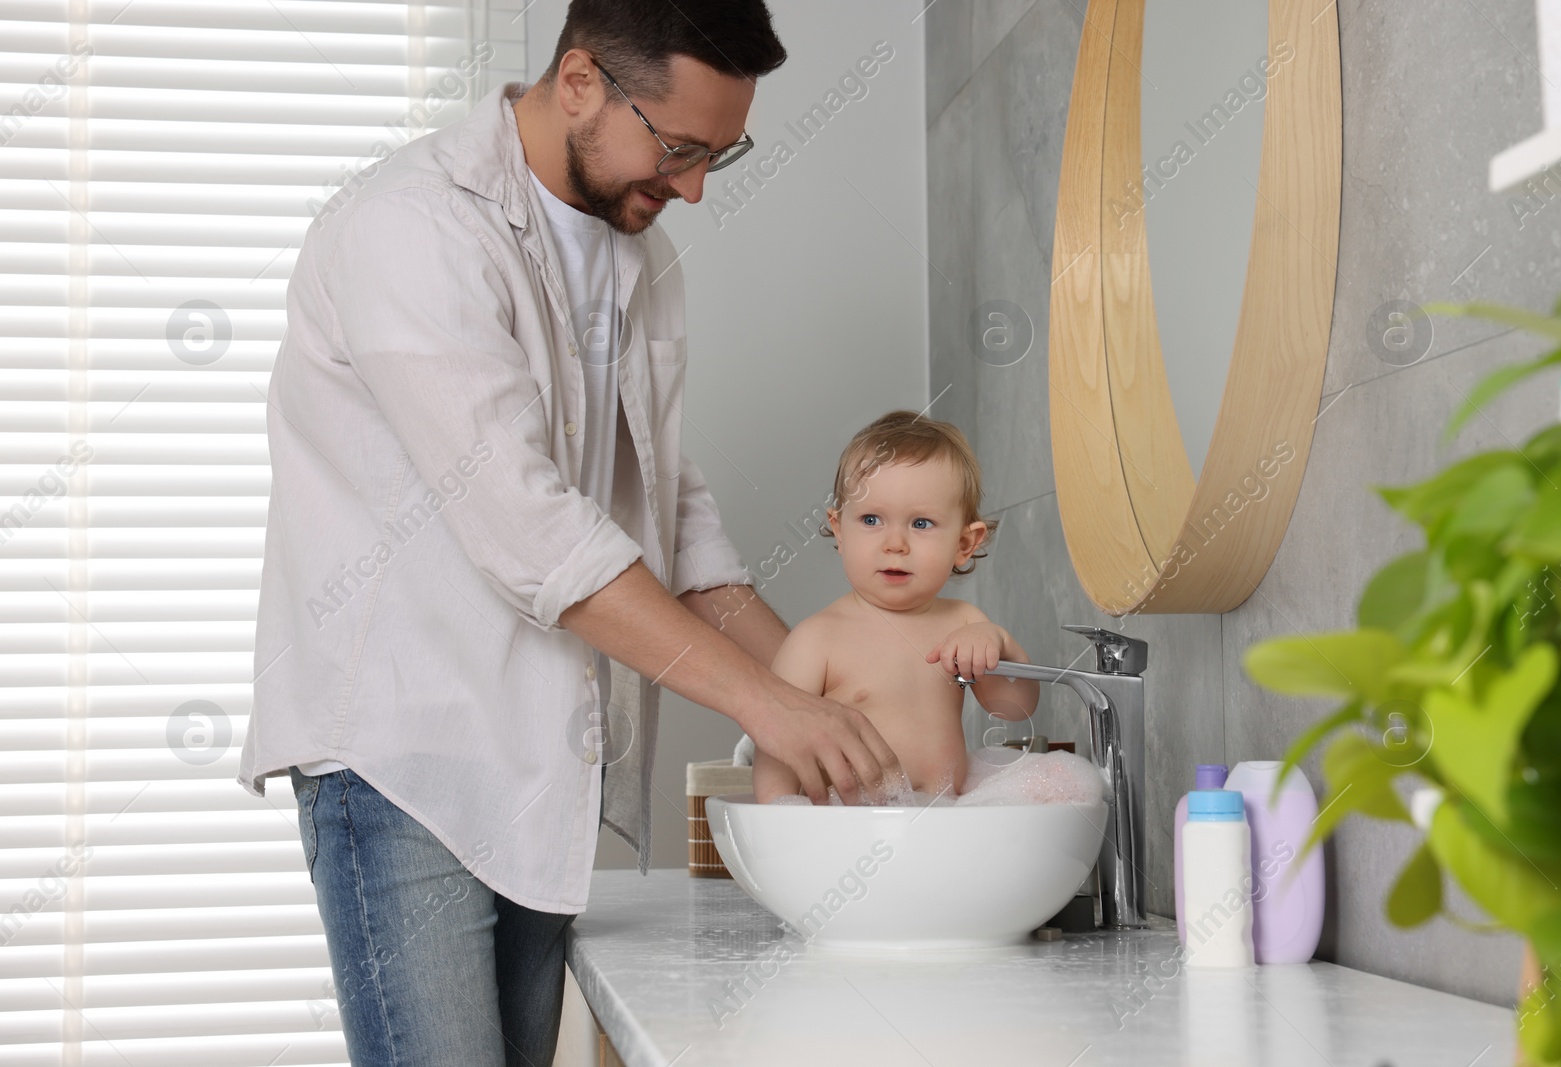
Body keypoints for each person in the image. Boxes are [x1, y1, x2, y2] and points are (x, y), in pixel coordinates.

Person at [237, 2, 901, 1064]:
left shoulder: (640, 261)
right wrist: (765, 704)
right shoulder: (411, 228)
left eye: (717, 159)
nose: (688, 188)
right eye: (678, 148)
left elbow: (669, 518)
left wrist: (845, 699)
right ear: (581, 81)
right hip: (405, 761)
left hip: (542, 767)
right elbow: (530, 528)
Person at [752, 411, 1040, 803]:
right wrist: (780, 815)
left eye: (921, 524)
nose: (895, 544)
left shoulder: (965, 623)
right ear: (840, 530)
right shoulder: (818, 639)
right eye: (871, 519)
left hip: (943, 820)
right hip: (849, 827)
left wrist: (999, 643)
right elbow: (777, 744)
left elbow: (1013, 709)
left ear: (964, 544)